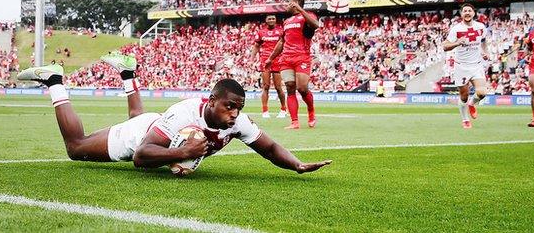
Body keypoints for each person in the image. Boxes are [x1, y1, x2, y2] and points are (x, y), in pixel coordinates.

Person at [17, 53, 331, 174]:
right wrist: (182, 152)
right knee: (76, 148)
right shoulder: (185, 113)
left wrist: (297, 165)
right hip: (140, 137)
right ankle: (56, 81)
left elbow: (270, 148)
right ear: (212, 101)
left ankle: (128, 75)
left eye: (239, 108)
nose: (235, 114)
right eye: (229, 106)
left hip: (155, 125)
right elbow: (141, 156)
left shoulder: (238, 123)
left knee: (140, 118)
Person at [265, 0, 319, 129]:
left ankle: (311, 111)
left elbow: (315, 25)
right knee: (290, 87)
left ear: (295, 3)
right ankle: (294, 122)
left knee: (302, 88)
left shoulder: (308, 16)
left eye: (289, 3)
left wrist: (301, 10)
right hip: (286, 59)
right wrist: (271, 58)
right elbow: (282, 41)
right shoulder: (286, 22)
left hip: (302, 57)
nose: (286, 5)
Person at [443, 3, 489, 129]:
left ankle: (472, 104)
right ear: (461, 14)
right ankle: (465, 119)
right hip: (461, 67)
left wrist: (485, 52)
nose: (467, 13)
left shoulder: (480, 27)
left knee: (482, 93)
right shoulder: (456, 29)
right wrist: (457, 43)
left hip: (477, 65)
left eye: (469, 11)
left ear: (474, 13)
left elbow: (484, 41)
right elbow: (445, 46)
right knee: (464, 95)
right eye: (465, 11)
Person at [251, 14, 287, 118]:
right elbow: (256, 46)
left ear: (276, 20)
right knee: (265, 86)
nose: (271, 20)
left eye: (273, 18)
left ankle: (283, 109)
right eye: (269, 18)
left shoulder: (281, 31)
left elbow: (284, 44)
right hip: (264, 61)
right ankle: (265, 111)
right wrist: (252, 59)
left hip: (277, 60)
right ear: (266, 20)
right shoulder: (261, 32)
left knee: (278, 87)